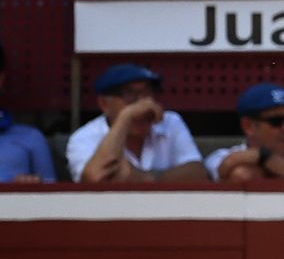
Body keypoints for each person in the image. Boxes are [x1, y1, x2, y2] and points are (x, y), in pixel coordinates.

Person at [65, 64, 204, 184]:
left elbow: (198, 173)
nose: (142, 104)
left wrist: (145, 179)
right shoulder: (84, 137)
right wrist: (126, 117)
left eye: (146, 93)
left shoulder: (170, 122)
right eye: (129, 95)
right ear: (104, 104)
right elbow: (94, 178)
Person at [206, 84, 284, 184]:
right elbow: (243, 176)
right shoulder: (219, 157)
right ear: (248, 126)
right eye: (276, 121)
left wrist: (264, 157)